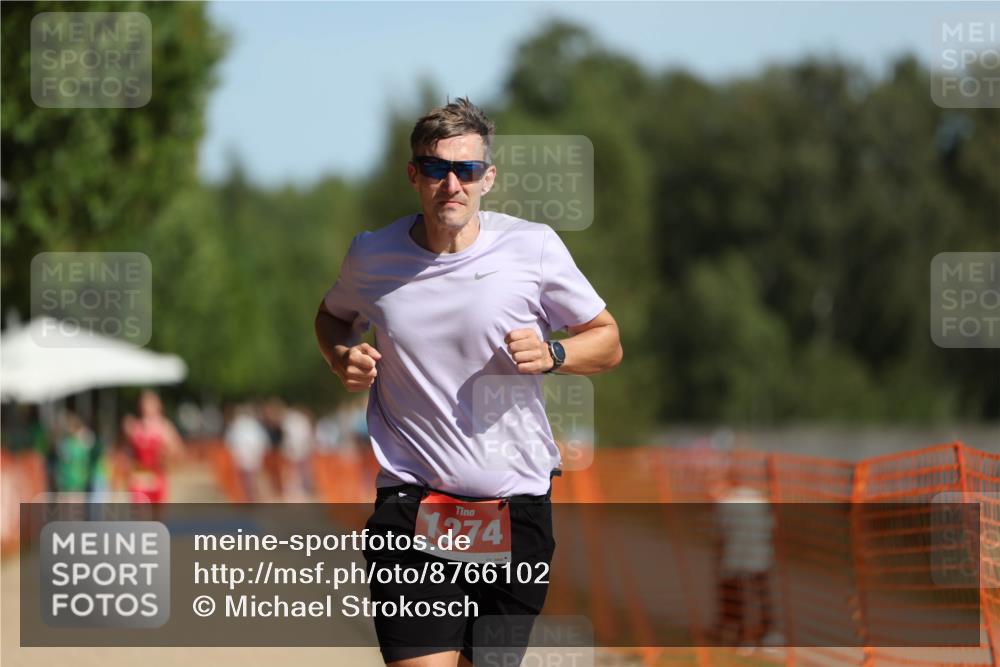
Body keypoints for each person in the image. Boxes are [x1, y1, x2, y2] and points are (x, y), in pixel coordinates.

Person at [315, 97, 622, 667]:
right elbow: (331, 315)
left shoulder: (532, 247)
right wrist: (340, 357)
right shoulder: (372, 254)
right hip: (413, 503)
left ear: (488, 179)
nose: (451, 183)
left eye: (467, 170)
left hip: (516, 509)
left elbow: (607, 340)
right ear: (414, 175)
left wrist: (554, 352)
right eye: (436, 168)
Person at [122, 390, 184, 510]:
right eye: (144, 404)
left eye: (150, 404)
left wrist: (166, 454)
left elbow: (178, 452)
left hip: (157, 479)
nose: (146, 407)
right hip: (139, 480)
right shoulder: (135, 427)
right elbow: (127, 452)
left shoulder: (164, 427)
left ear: (158, 405)